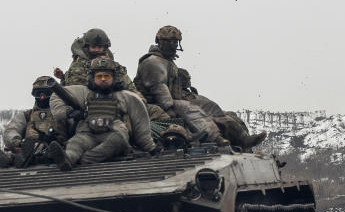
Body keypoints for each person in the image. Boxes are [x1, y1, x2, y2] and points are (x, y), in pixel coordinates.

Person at [135, 25, 265, 150]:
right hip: (156, 103)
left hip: (175, 97)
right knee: (191, 110)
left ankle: (242, 138)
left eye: (175, 42)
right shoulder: (152, 61)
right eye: (169, 41)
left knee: (209, 105)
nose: (173, 45)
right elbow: (159, 88)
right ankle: (216, 138)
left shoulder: (166, 61)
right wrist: (169, 108)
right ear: (160, 42)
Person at [47, 57, 156, 171]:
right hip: (87, 133)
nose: (103, 79)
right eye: (99, 76)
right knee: (75, 143)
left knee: (117, 141)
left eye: (107, 76)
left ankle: (85, 160)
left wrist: (149, 146)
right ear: (92, 78)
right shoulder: (83, 92)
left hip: (113, 132)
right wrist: (66, 113)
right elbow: (57, 95)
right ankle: (67, 159)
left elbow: (140, 121)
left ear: (113, 77)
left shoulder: (126, 96)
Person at [0, 76, 67, 168]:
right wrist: (18, 142)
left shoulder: (62, 113)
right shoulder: (27, 115)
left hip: (55, 148)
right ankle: (7, 158)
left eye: (46, 93)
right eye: (38, 93)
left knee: (53, 152)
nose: (42, 97)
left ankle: (16, 159)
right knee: (19, 152)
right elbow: (12, 129)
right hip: (28, 147)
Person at [54, 28, 142, 96]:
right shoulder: (78, 66)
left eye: (100, 47)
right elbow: (77, 91)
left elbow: (131, 89)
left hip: (115, 103)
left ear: (105, 47)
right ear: (87, 47)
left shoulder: (114, 66)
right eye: (94, 47)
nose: (97, 50)